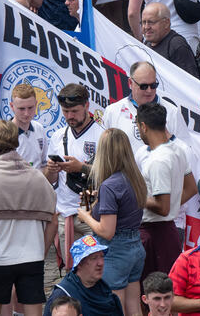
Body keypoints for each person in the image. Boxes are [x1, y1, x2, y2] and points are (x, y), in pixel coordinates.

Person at [0, 120, 55, 316]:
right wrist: (41, 251)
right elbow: (52, 220)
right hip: (32, 257)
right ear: (16, 142)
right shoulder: (38, 178)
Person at [76, 128, 146, 316]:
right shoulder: (135, 178)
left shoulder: (109, 185)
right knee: (134, 304)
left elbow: (107, 231)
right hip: (135, 246)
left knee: (115, 306)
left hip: (116, 250)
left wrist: (86, 217)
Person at [44, 85, 104, 269]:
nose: (70, 116)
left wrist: (82, 168)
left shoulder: (102, 135)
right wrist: (52, 169)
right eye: (65, 111)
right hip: (66, 212)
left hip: (92, 211)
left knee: (96, 268)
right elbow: (50, 180)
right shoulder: (57, 136)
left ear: (87, 106)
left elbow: (112, 175)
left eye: (75, 111)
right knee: (73, 270)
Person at [136, 101, 189, 279]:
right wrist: (173, 202)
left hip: (154, 235)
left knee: (153, 296)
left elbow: (162, 207)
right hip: (168, 231)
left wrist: (136, 197)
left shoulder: (157, 160)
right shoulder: (179, 150)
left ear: (143, 126)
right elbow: (191, 188)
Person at [102, 60, 183, 156]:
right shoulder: (113, 111)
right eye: (143, 86)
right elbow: (104, 153)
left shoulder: (172, 112)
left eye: (153, 85)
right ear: (130, 83)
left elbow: (185, 153)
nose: (149, 91)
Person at [0, 83, 49, 179]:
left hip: (34, 189)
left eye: (30, 108)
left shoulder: (39, 128)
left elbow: (43, 165)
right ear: (12, 106)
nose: (26, 113)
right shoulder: (2, 134)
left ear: (36, 104)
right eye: (21, 109)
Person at [45, 236, 123, 316]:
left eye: (101, 256)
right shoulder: (64, 295)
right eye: (94, 258)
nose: (100, 263)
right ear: (79, 263)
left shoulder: (104, 289)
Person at [140, 2, 200, 77]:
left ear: (166, 23)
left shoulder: (176, 45)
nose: (146, 27)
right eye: (143, 22)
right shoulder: (147, 44)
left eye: (151, 22)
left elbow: (191, 81)